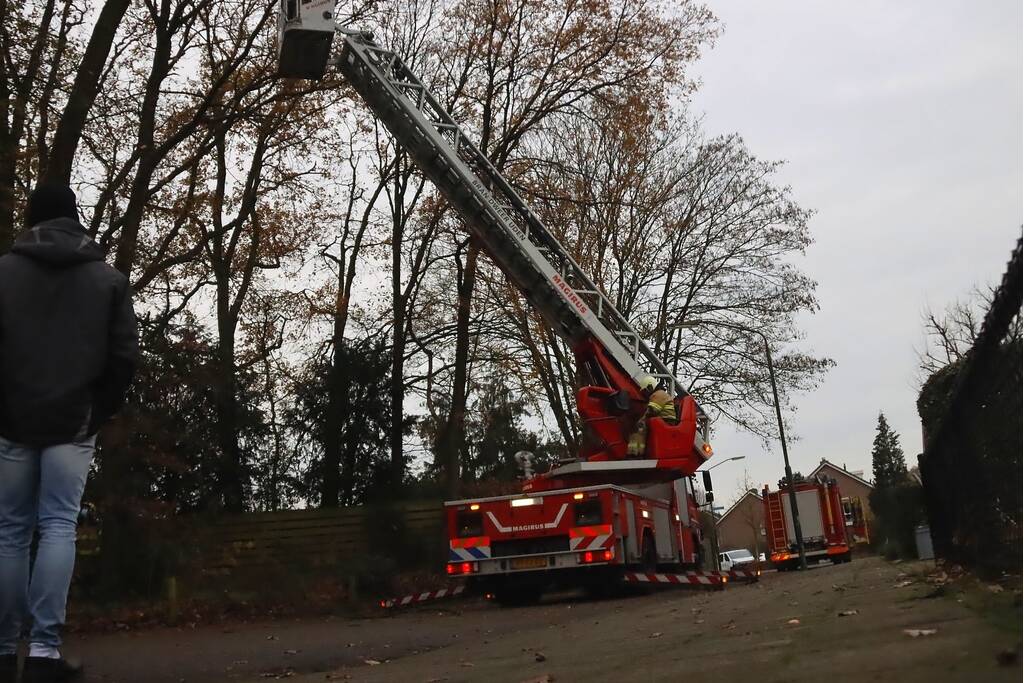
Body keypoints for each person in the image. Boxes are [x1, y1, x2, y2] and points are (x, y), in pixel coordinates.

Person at [0, 184, 138, 683]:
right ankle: (42, 653)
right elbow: (124, 357)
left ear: (30, 220)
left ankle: (1, 652)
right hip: (73, 424)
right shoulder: (108, 280)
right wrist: (96, 412)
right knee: (58, 525)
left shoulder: (3, 273)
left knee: (10, 532)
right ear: (75, 219)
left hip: (12, 422)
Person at [625, 376, 677, 456]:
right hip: (663, 421)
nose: (645, 394)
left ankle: (636, 454)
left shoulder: (658, 394)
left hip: (666, 422)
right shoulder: (659, 394)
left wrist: (641, 420)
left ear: (650, 387)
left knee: (639, 427)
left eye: (645, 391)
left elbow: (652, 410)